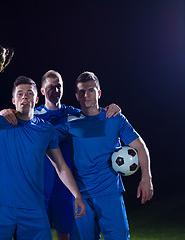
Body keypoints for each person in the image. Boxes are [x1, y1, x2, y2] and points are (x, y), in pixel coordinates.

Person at [1, 70, 121, 240]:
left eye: (59, 86)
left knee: (65, 234)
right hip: (36, 186)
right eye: (50, 87)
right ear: (41, 91)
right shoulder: (30, 114)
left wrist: (112, 108)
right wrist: (3, 112)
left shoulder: (73, 114)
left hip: (65, 187)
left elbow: (93, 113)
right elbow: (11, 120)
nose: (55, 90)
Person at [0, 76, 86, 240]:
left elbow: (60, 166)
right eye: (20, 94)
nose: (24, 97)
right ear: (13, 99)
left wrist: (77, 195)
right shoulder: (1, 122)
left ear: (36, 99)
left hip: (34, 208)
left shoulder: (46, 130)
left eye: (29, 93)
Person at [57, 71, 154, 240]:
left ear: (99, 93)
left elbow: (140, 146)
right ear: (76, 96)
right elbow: (42, 137)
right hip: (81, 196)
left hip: (110, 193)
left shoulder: (114, 118)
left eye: (91, 90)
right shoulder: (69, 122)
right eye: (81, 91)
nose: (86, 95)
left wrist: (146, 177)